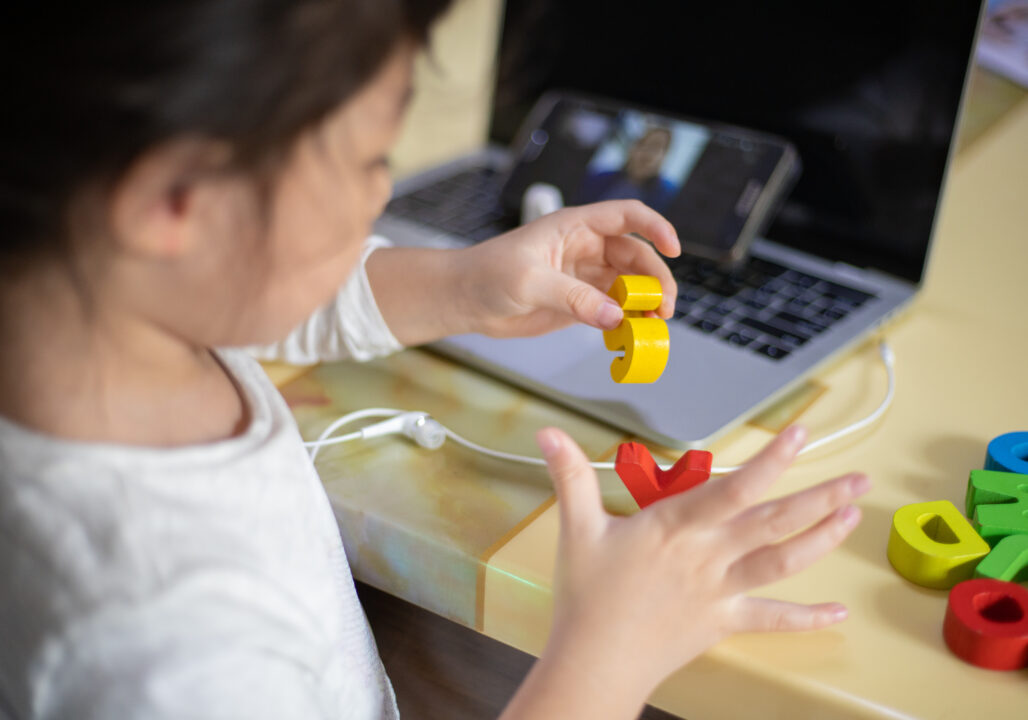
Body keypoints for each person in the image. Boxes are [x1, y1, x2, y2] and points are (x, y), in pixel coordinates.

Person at [0, 2, 869, 718]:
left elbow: (258, 307)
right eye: (369, 159)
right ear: (174, 203)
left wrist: (462, 286)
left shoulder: (94, 308)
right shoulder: (179, 659)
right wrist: (609, 654)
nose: (384, 189)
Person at [578, 126, 679, 211]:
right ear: (632, 148)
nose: (648, 153)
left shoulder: (669, 195)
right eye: (643, 143)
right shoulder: (597, 179)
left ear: (665, 157)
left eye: (657, 147)